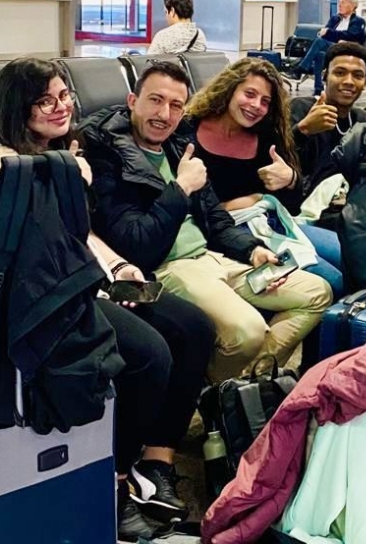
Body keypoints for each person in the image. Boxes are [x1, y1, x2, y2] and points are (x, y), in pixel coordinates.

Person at [0, 57, 215, 541]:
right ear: (17, 106)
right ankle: (114, 482)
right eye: (44, 100)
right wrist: (70, 179)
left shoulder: (52, 154)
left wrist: (117, 267)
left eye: (63, 96)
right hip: (17, 302)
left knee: (192, 327)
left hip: (62, 283)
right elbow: (35, 237)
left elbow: (77, 236)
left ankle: (155, 460)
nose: (60, 107)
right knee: (148, 354)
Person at [81, 61, 332, 382]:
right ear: (133, 101)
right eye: (155, 100)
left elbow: (216, 218)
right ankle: (224, 393)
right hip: (171, 266)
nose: (164, 114)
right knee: (248, 330)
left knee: (317, 292)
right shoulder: (109, 157)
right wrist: (180, 188)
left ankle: (240, 385)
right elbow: (136, 244)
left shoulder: (179, 148)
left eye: (175, 106)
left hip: (212, 256)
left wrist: (252, 250)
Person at [179, 57, 344, 297]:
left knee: (351, 256)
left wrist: (290, 180)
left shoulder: (266, 136)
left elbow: (293, 205)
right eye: (249, 94)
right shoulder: (187, 129)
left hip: (271, 219)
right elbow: (192, 203)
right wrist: (238, 203)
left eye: (265, 101)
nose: (256, 105)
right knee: (334, 281)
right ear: (229, 89)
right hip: (227, 231)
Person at [289, 43, 366, 296]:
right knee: (352, 269)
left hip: (347, 215)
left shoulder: (363, 121)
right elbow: (272, 161)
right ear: (325, 75)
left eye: (357, 75)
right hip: (301, 214)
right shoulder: (300, 109)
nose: (348, 81)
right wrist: (303, 131)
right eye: (340, 72)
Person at [290, 0, 366, 86]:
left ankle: (301, 68)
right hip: (330, 47)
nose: (340, 5)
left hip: (346, 49)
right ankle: (318, 88)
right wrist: (333, 35)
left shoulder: (358, 21)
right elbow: (325, 35)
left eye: (343, 2)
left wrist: (331, 33)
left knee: (319, 42)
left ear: (352, 6)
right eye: (339, 2)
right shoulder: (335, 18)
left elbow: (350, 35)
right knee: (320, 54)